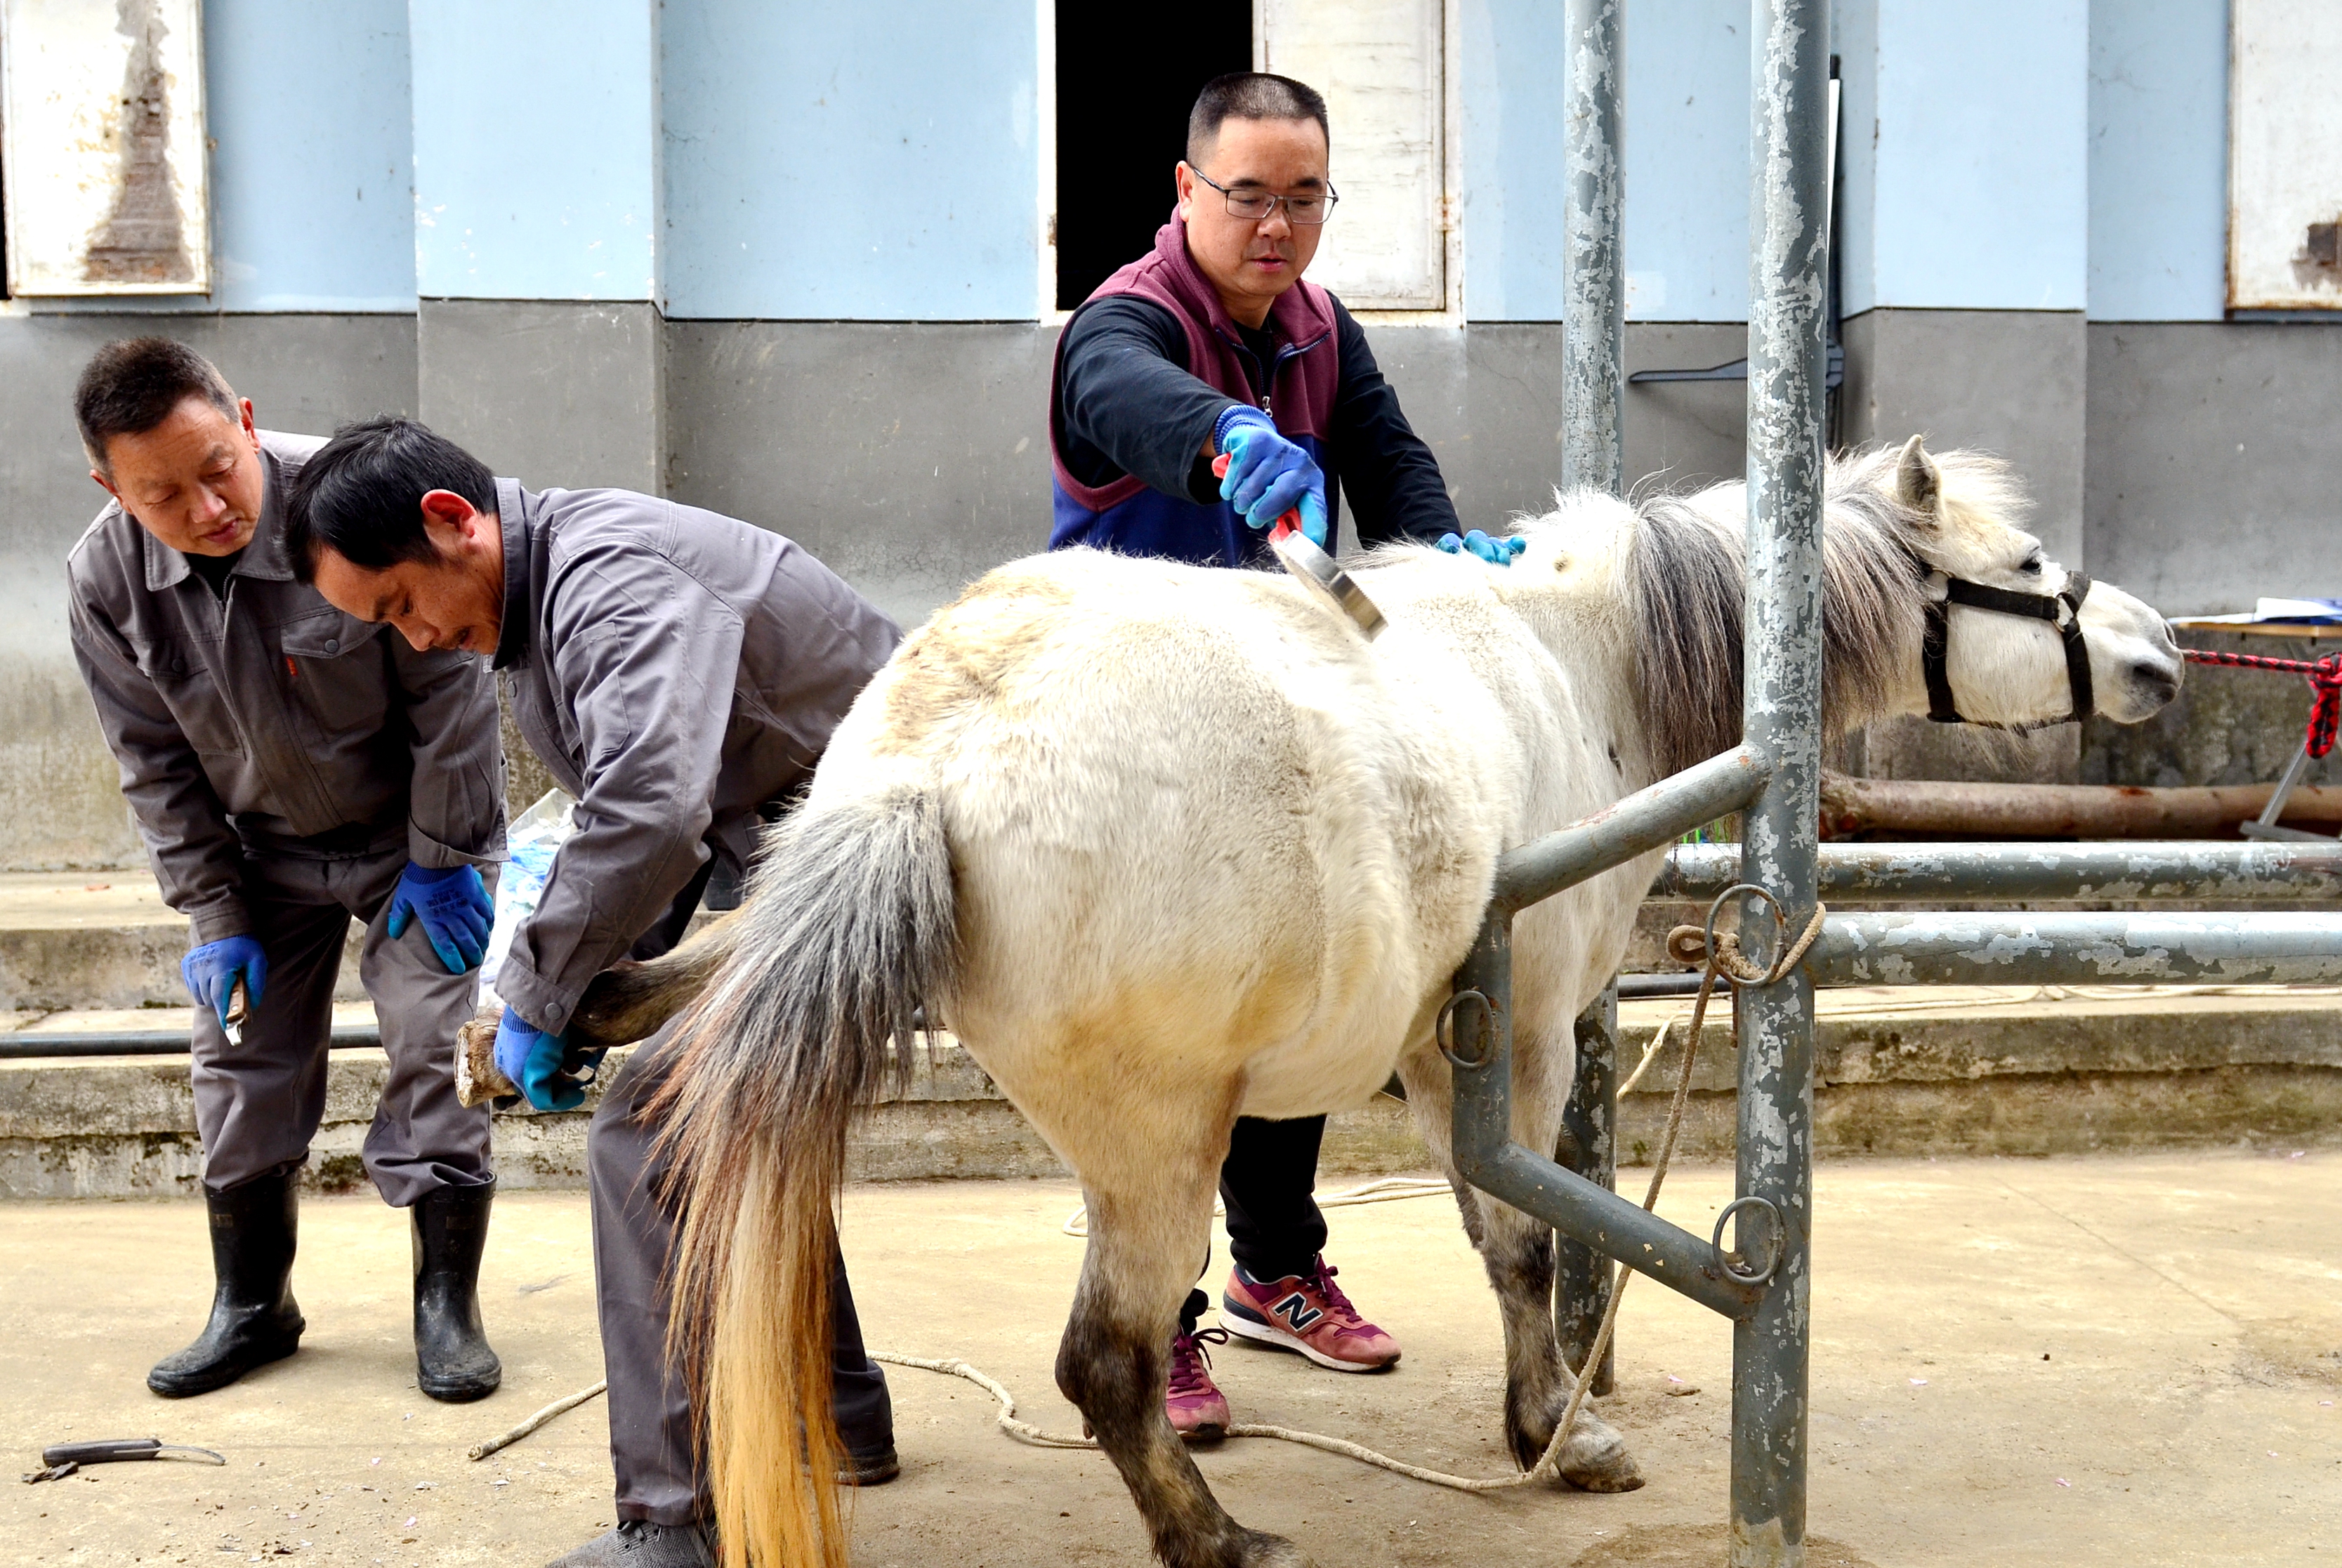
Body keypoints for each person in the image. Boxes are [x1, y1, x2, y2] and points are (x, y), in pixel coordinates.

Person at [283, 416, 904, 1568]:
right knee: (726, 1098)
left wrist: (538, 991)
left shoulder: (610, 580)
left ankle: (672, 1525)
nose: (416, 639)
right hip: (818, 860)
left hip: (897, 863)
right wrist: (571, 998)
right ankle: (841, 1415)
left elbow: (650, 811)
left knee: (657, 1127)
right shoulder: (538, 620)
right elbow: (674, 832)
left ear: (450, 522)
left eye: (401, 605)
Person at [1048, 71, 1524, 1438]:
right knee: (1171, 1033)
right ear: (1187, 194)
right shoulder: (1123, 323)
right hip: (1132, 731)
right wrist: (1221, 438)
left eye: (1303, 197)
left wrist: (1440, 561)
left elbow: (1391, 455)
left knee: (1294, 995)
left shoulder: (1319, 325)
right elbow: (1128, 395)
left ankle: (1274, 1270)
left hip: (1275, 717)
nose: (1276, 225)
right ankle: (1163, 1311)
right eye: (1246, 194)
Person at [64, 340, 508, 1404]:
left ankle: (446, 1304)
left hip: (411, 848)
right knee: (238, 1061)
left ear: (246, 418)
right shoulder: (105, 580)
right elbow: (155, 766)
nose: (206, 506)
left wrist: (446, 858)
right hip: (260, 860)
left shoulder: (343, 510)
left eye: (219, 465)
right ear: (110, 487)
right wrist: (215, 912)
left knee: (435, 1043)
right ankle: (254, 1302)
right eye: (161, 493)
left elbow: (451, 696)